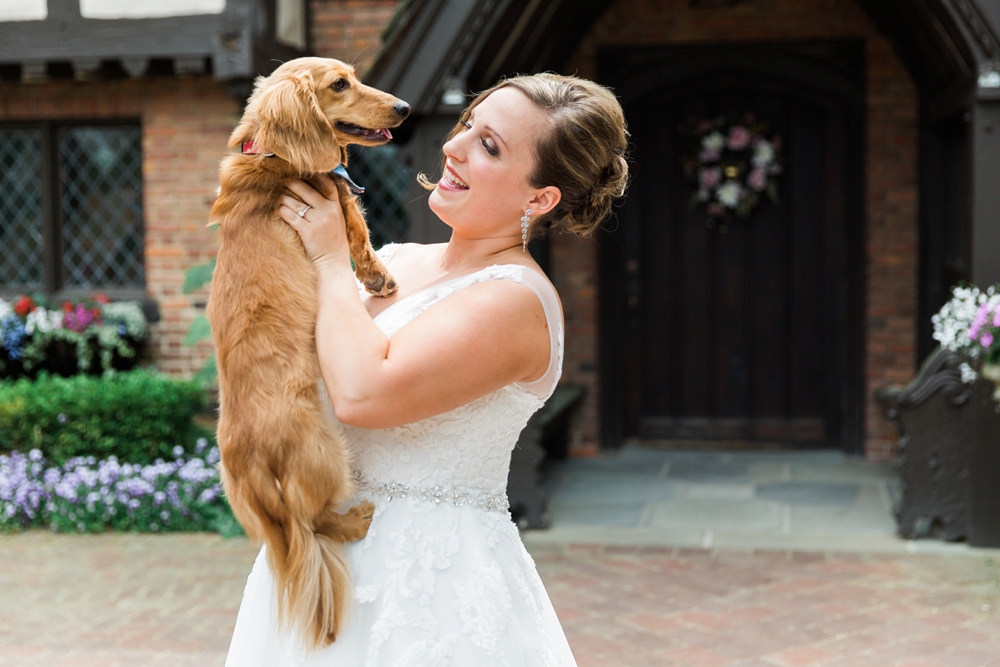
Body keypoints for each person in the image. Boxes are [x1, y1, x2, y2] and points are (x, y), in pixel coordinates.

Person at [224, 72, 629, 667]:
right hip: (318, 564)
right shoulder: (390, 261)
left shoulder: (518, 301)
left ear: (538, 199)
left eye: (489, 146)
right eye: (467, 125)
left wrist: (333, 260)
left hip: (428, 585)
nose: (453, 146)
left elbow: (363, 395)